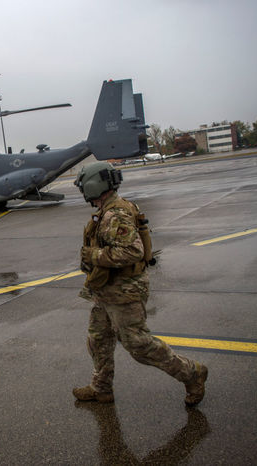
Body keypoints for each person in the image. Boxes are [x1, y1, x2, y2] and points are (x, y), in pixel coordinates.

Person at [72, 161, 208, 406]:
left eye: (84, 185)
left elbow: (133, 252)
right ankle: (101, 388)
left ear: (95, 185)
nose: (83, 191)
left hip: (125, 291)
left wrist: (94, 257)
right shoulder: (108, 210)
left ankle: (192, 373)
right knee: (98, 339)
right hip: (106, 290)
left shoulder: (116, 213)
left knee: (139, 345)